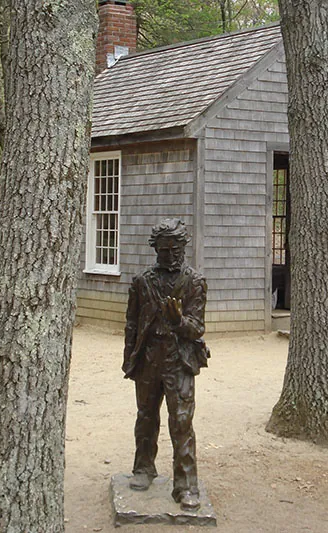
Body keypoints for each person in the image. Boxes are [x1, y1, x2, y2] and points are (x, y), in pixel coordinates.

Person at [122, 218, 210, 512]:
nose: (170, 256)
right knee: (146, 416)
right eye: (164, 250)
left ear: (184, 248)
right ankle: (143, 469)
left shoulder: (195, 282)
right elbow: (132, 324)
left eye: (176, 250)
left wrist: (178, 321)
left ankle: (185, 485)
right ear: (155, 249)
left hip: (179, 360)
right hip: (149, 358)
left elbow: (197, 329)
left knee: (182, 422)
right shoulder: (142, 282)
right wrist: (129, 360)